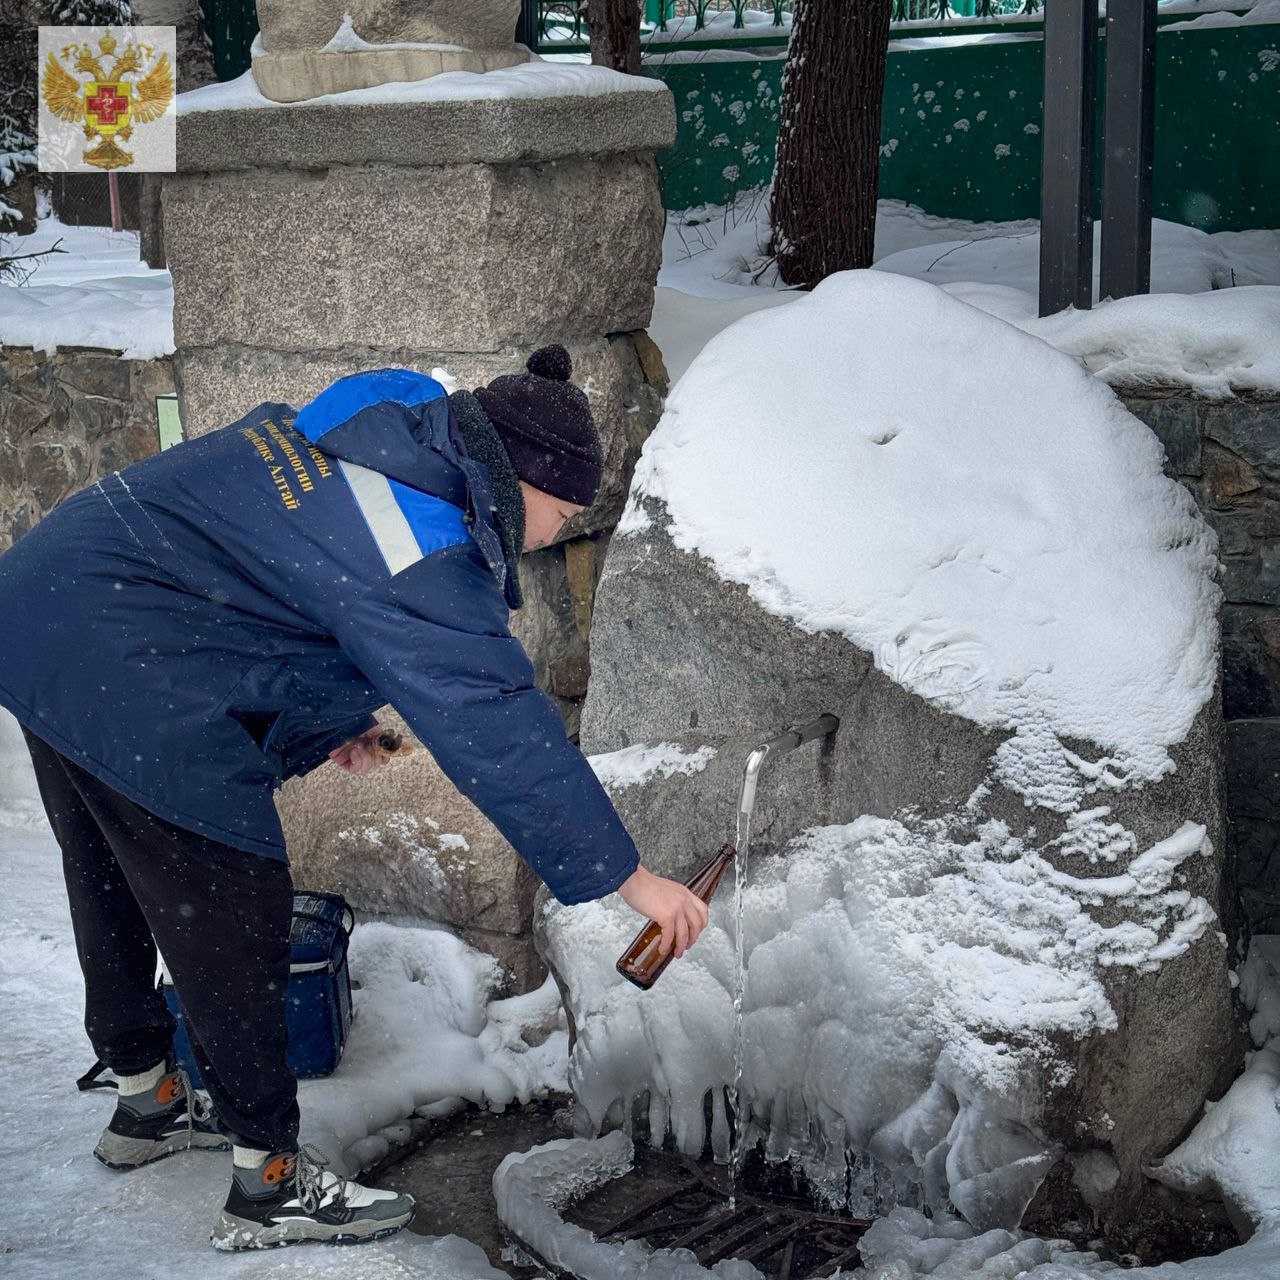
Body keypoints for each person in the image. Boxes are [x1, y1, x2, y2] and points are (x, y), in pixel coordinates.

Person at [0, 346, 709, 1251]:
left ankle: (146, 1101)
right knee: (228, 905)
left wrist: (326, 725)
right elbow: (498, 729)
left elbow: (266, 590)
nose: (554, 534)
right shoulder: (418, 543)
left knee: (109, 872)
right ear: (517, 479)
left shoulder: (384, 443)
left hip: (48, 606)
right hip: (122, 655)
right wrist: (632, 879)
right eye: (561, 514)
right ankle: (270, 1181)